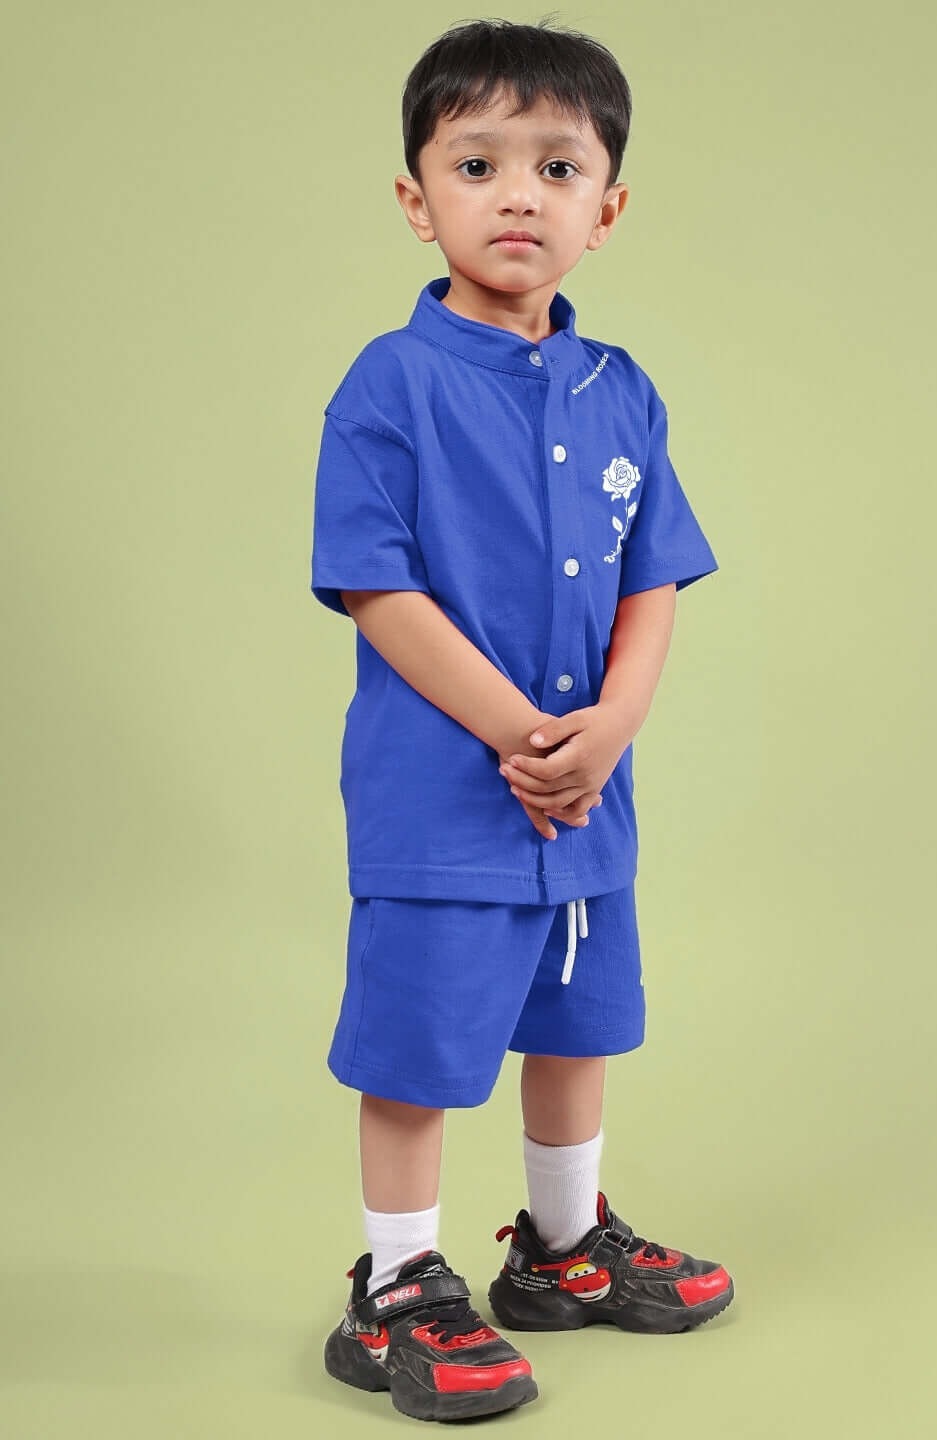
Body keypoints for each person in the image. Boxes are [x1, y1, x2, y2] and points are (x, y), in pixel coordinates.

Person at [310, 17, 734, 1424]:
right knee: (420, 1045)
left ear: (604, 211)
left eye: (556, 167)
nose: (516, 195)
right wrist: (518, 733)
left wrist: (610, 726)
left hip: (586, 798)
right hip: (446, 796)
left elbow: (654, 579)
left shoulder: (628, 395)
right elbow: (377, 586)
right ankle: (396, 1285)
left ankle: (561, 1250)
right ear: (415, 196)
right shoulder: (393, 383)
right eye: (476, 161)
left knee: (577, 1022)